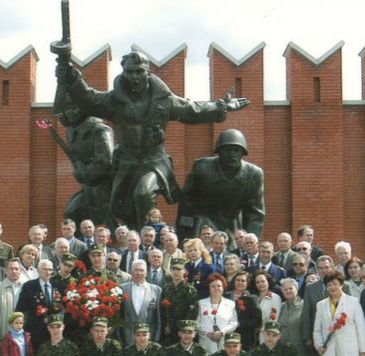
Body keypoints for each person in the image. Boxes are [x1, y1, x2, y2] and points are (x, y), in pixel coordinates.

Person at [57, 50, 249, 229]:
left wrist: (221, 107)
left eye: (139, 71)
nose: (134, 77)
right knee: (125, 210)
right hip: (126, 162)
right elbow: (89, 99)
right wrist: (71, 76)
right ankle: (139, 240)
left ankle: (149, 239)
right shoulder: (114, 101)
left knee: (143, 192)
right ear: (124, 73)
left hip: (154, 161)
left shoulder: (163, 99)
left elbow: (192, 110)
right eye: (130, 72)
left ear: (147, 72)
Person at [177, 129, 265, 248]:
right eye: (227, 150)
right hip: (203, 222)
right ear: (219, 152)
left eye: (237, 150)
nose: (232, 155)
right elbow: (187, 203)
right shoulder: (202, 167)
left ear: (243, 153)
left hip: (232, 222)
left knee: (233, 252)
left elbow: (256, 213)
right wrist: (184, 236)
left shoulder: (253, 174)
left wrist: (250, 242)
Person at [60, 100, 116, 228]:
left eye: (74, 107)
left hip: (107, 185)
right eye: (67, 108)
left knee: (109, 221)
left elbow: (106, 159)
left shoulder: (101, 130)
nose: (70, 112)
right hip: (89, 186)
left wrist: (85, 173)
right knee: (71, 212)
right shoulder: (72, 132)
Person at [16, 259, 62, 350]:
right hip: (35, 331)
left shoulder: (57, 285)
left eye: (50, 270)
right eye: (45, 269)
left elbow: (60, 307)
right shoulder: (29, 286)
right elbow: (20, 309)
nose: (48, 272)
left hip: (54, 331)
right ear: (38, 270)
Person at [118, 260, 162, 346]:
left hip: (148, 337)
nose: (139, 273)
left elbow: (158, 317)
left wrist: (156, 337)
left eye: (141, 270)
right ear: (131, 272)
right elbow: (119, 316)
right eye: (136, 270)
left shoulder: (156, 290)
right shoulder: (122, 289)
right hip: (127, 337)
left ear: (146, 273)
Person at [196, 273, 238, 355]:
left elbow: (234, 323)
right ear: (209, 289)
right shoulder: (201, 303)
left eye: (219, 286)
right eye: (213, 286)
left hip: (224, 343)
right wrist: (207, 333)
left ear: (223, 288)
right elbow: (196, 323)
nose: (216, 288)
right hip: (205, 343)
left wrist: (222, 332)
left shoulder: (230, 304)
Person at [161, 257, 199, 345]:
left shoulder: (190, 289)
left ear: (184, 271)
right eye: (173, 269)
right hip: (167, 332)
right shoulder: (166, 288)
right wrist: (166, 326)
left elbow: (192, 313)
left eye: (179, 269)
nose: (176, 272)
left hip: (183, 332)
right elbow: (162, 310)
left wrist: (182, 329)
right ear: (170, 270)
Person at [0, 258, 27, 349]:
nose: (14, 271)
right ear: (5, 271)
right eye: (11, 269)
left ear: (20, 271)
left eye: (16, 269)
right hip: (4, 336)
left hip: (23, 337)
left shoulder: (26, 287)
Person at [225, 271, 262, 350]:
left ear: (247, 283)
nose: (240, 282)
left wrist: (239, 323)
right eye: (237, 280)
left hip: (244, 338)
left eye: (243, 281)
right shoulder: (225, 295)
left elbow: (257, 321)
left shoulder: (252, 298)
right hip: (226, 335)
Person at [253, 272, 282, 345]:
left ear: (268, 282)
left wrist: (263, 332)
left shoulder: (275, 298)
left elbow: (274, 319)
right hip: (253, 336)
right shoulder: (254, 297)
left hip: (267, 336)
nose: (260, 284)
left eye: (263, 281)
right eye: (257, 282)